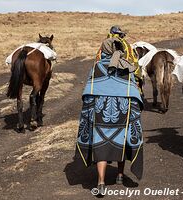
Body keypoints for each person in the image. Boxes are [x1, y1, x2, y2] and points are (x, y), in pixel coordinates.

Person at [76, 25, 144, 196]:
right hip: (122, 111)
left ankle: (100, 182)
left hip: (100, 111)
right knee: (121, 141)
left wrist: (89, 112)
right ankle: (120, 175)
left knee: (101, 145)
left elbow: (88, 93)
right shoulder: (126, 67)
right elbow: (134, 92)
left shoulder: (97, 67)